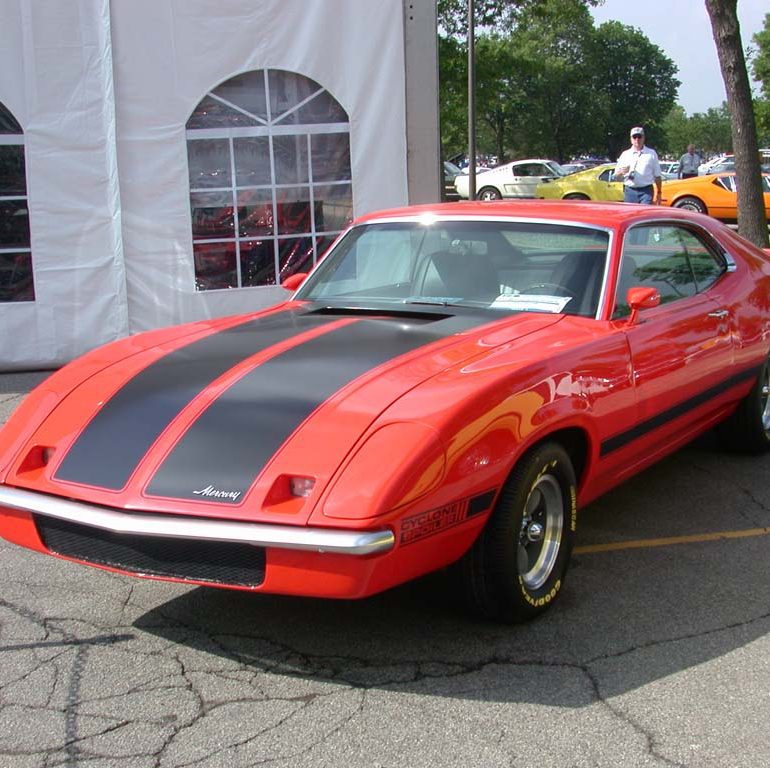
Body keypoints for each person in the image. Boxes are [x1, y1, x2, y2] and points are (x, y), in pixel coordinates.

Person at [614, 127, 662, 205]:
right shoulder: (625, 154)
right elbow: (616, 177)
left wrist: (659, 193)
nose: (637, 139)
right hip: (630, 191)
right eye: (634, 137)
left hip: (646, 191)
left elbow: (657, 176)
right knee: (631, 215)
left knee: (644, 215)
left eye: (639, 137)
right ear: (631, 139)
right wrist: (620, 173)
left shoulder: (651, 154)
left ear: (644, 138)